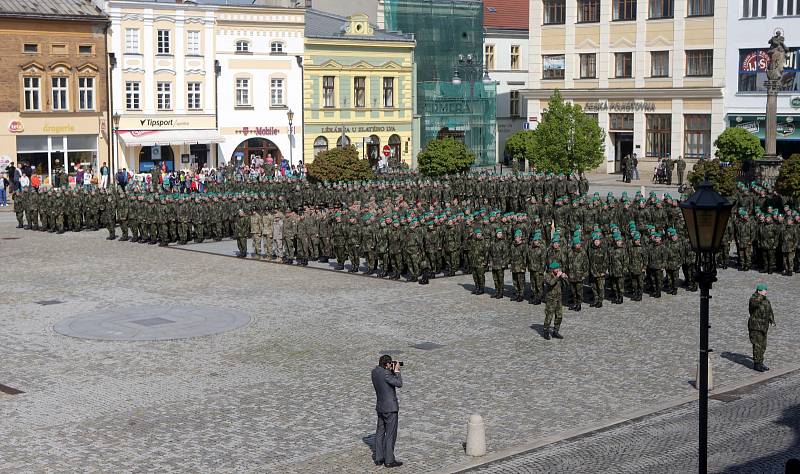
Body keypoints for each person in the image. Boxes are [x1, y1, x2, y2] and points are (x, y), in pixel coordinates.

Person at [371, 355, 403, 468]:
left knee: (380, 433)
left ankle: (379, 458)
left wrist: (390, 371)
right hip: (390, 409)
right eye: (390, 364)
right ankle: (389, 460)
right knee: (390, 434)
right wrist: (397, 371)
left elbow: (386, 382)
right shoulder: (386, 374)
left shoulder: (374, 372)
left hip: (380, 407)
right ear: (387, 364)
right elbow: (399, 383)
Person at [748, 283, 775, 372]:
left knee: (763, 346)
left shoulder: (766, 300)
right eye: (764, 290)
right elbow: (754, 305)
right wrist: (760, 296)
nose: (766, 292)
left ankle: (761, 362)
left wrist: (772, 321)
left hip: (764, 327)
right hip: (755, 326)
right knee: (757, 345)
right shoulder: (753, 299)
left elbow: (769, 311)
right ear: (759, 291)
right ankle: (757, 364)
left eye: (766, 290)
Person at [542, 261, 567, 340]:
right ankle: (546, 331)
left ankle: (556, 331)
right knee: (549, 316)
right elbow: (550, 283)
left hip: (559, 298)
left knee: (559, 316)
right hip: (551, 299)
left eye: (558, 268)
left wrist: (565, 278)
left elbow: (567, 285)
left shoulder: (559, 275)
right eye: (556, 269)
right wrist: (557, 277)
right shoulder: (547, 275)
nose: (558, 270)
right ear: (552, 269)